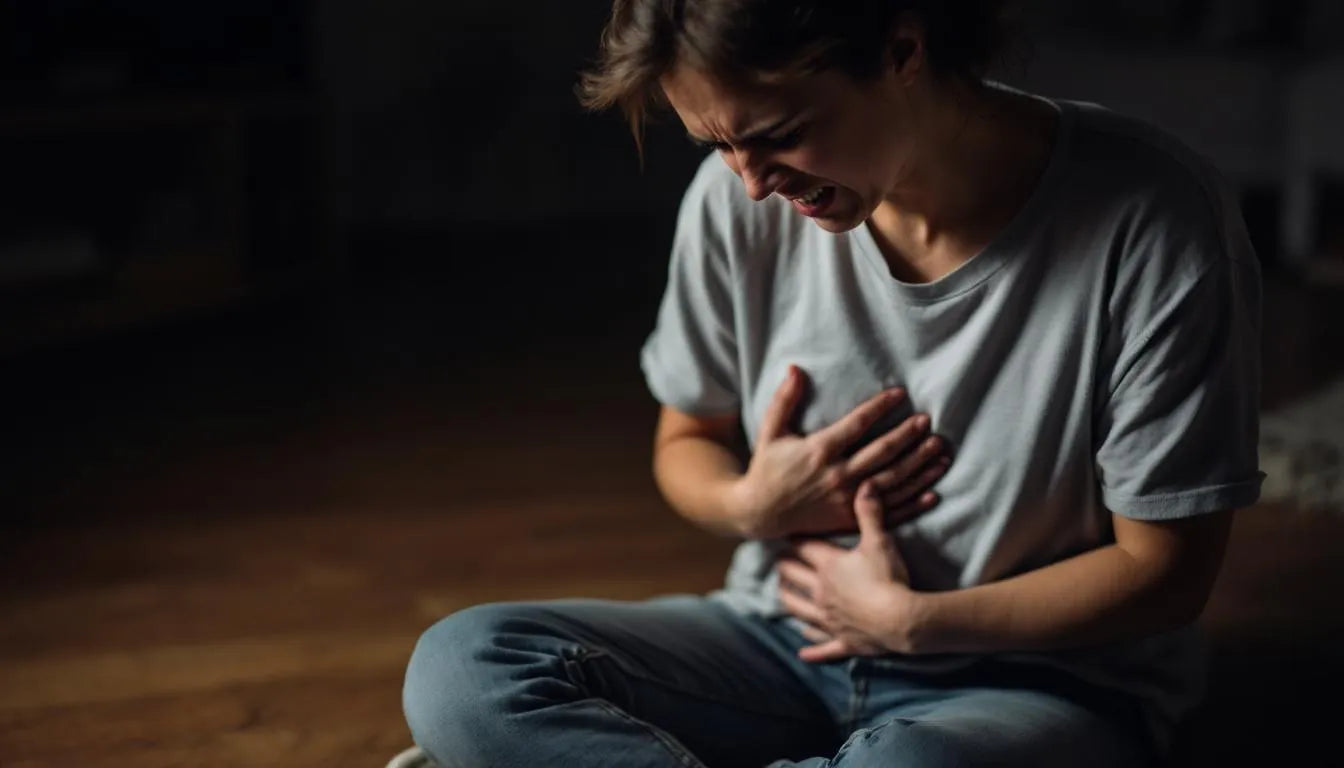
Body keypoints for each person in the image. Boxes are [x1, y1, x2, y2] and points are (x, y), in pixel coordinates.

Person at [388, 1, 1264, 766]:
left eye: (776, 134)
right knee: (464, 668)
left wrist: (915, 623)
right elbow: (686, 440)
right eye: (718, 145)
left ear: (902, 51)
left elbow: (1166, 573)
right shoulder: (731, 205)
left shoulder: (1152, 217)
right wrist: (751, 504)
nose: (751, 184)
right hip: (779, 642)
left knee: (917, 762)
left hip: (1038, 685)